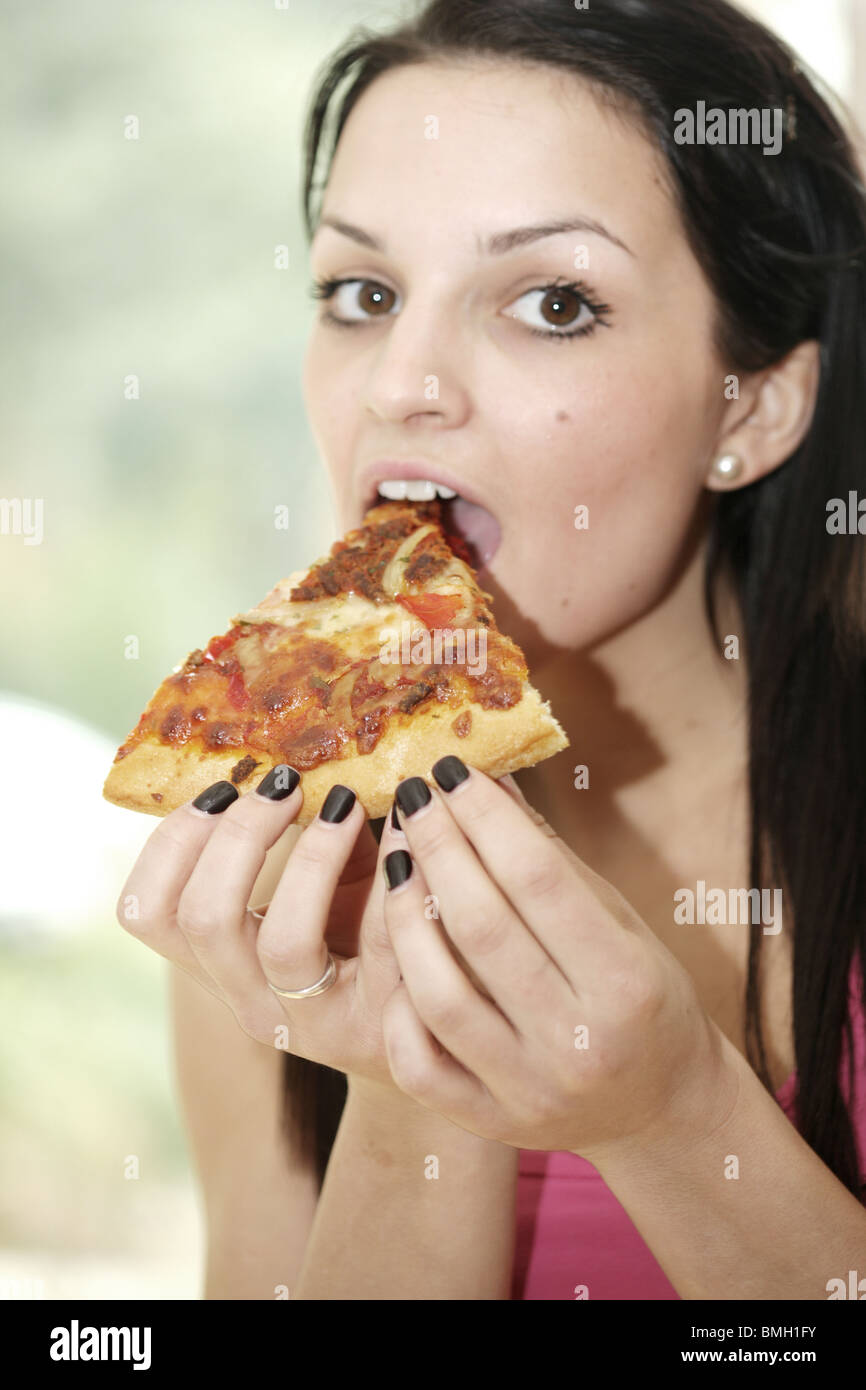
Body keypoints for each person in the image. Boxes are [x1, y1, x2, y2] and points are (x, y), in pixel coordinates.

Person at [118, 0, 866, 1299]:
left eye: (553, 302)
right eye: (362, 292)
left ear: (748, 408)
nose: (400, 382)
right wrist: (416, 1079)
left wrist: (672, 1114)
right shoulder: (272, 900)